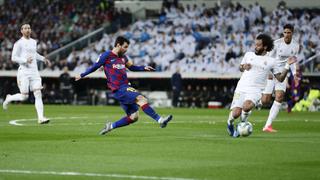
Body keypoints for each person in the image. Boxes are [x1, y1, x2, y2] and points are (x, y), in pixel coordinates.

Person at [75, 36, 173, 135]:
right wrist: (82, 75)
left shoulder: (123, 57)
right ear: (118, 45)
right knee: (141, 99)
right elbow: (95, 66)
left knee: (134, 117)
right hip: (119, 88)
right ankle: (160, 120)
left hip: (124, 87)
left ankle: (111, 126)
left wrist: (144, 67)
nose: (126, 50)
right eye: (125, 47)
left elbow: (132, 67)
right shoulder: (106, 55)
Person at [227, 33, 296, 137]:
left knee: (246, 107)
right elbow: (240, 68)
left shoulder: (272, 61)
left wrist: (287, 65)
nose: (256, 47)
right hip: (241, 87)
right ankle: (230, 123)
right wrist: (244, 66)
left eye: (258, 45)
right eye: (255, 44)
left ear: (265, 47)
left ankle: (242, 123)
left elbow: (280, 78)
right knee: (236, 113)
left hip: (256, 90)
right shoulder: (248, 55)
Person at [2, 23, 50, 124]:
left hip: (34, 72)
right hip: (23, 72)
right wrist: (24, 60)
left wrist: (43, 58)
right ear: (21, 31)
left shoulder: (33, 42)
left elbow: (34, 54)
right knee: (24, 97)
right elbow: (13, 57)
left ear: (30, 30)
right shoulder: (18, 43)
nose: (27, 30)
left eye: (29, 28)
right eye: (25, 28)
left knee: (38, 94)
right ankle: (9, 98)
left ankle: (41, 118)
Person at [260, 24, 300, 132]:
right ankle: (253, 99)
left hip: (283, 73)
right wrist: (268, 71)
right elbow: (268, 58)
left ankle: (267, 125)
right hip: (272, 72)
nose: (286, 35)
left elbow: (292, 62)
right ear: (283, 33)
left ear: (292, 33)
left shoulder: (296, 46)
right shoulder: (276, 44)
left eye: (289, 33)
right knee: (265, 101)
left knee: (279, 97)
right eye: (285, 32)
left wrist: (295, 74)